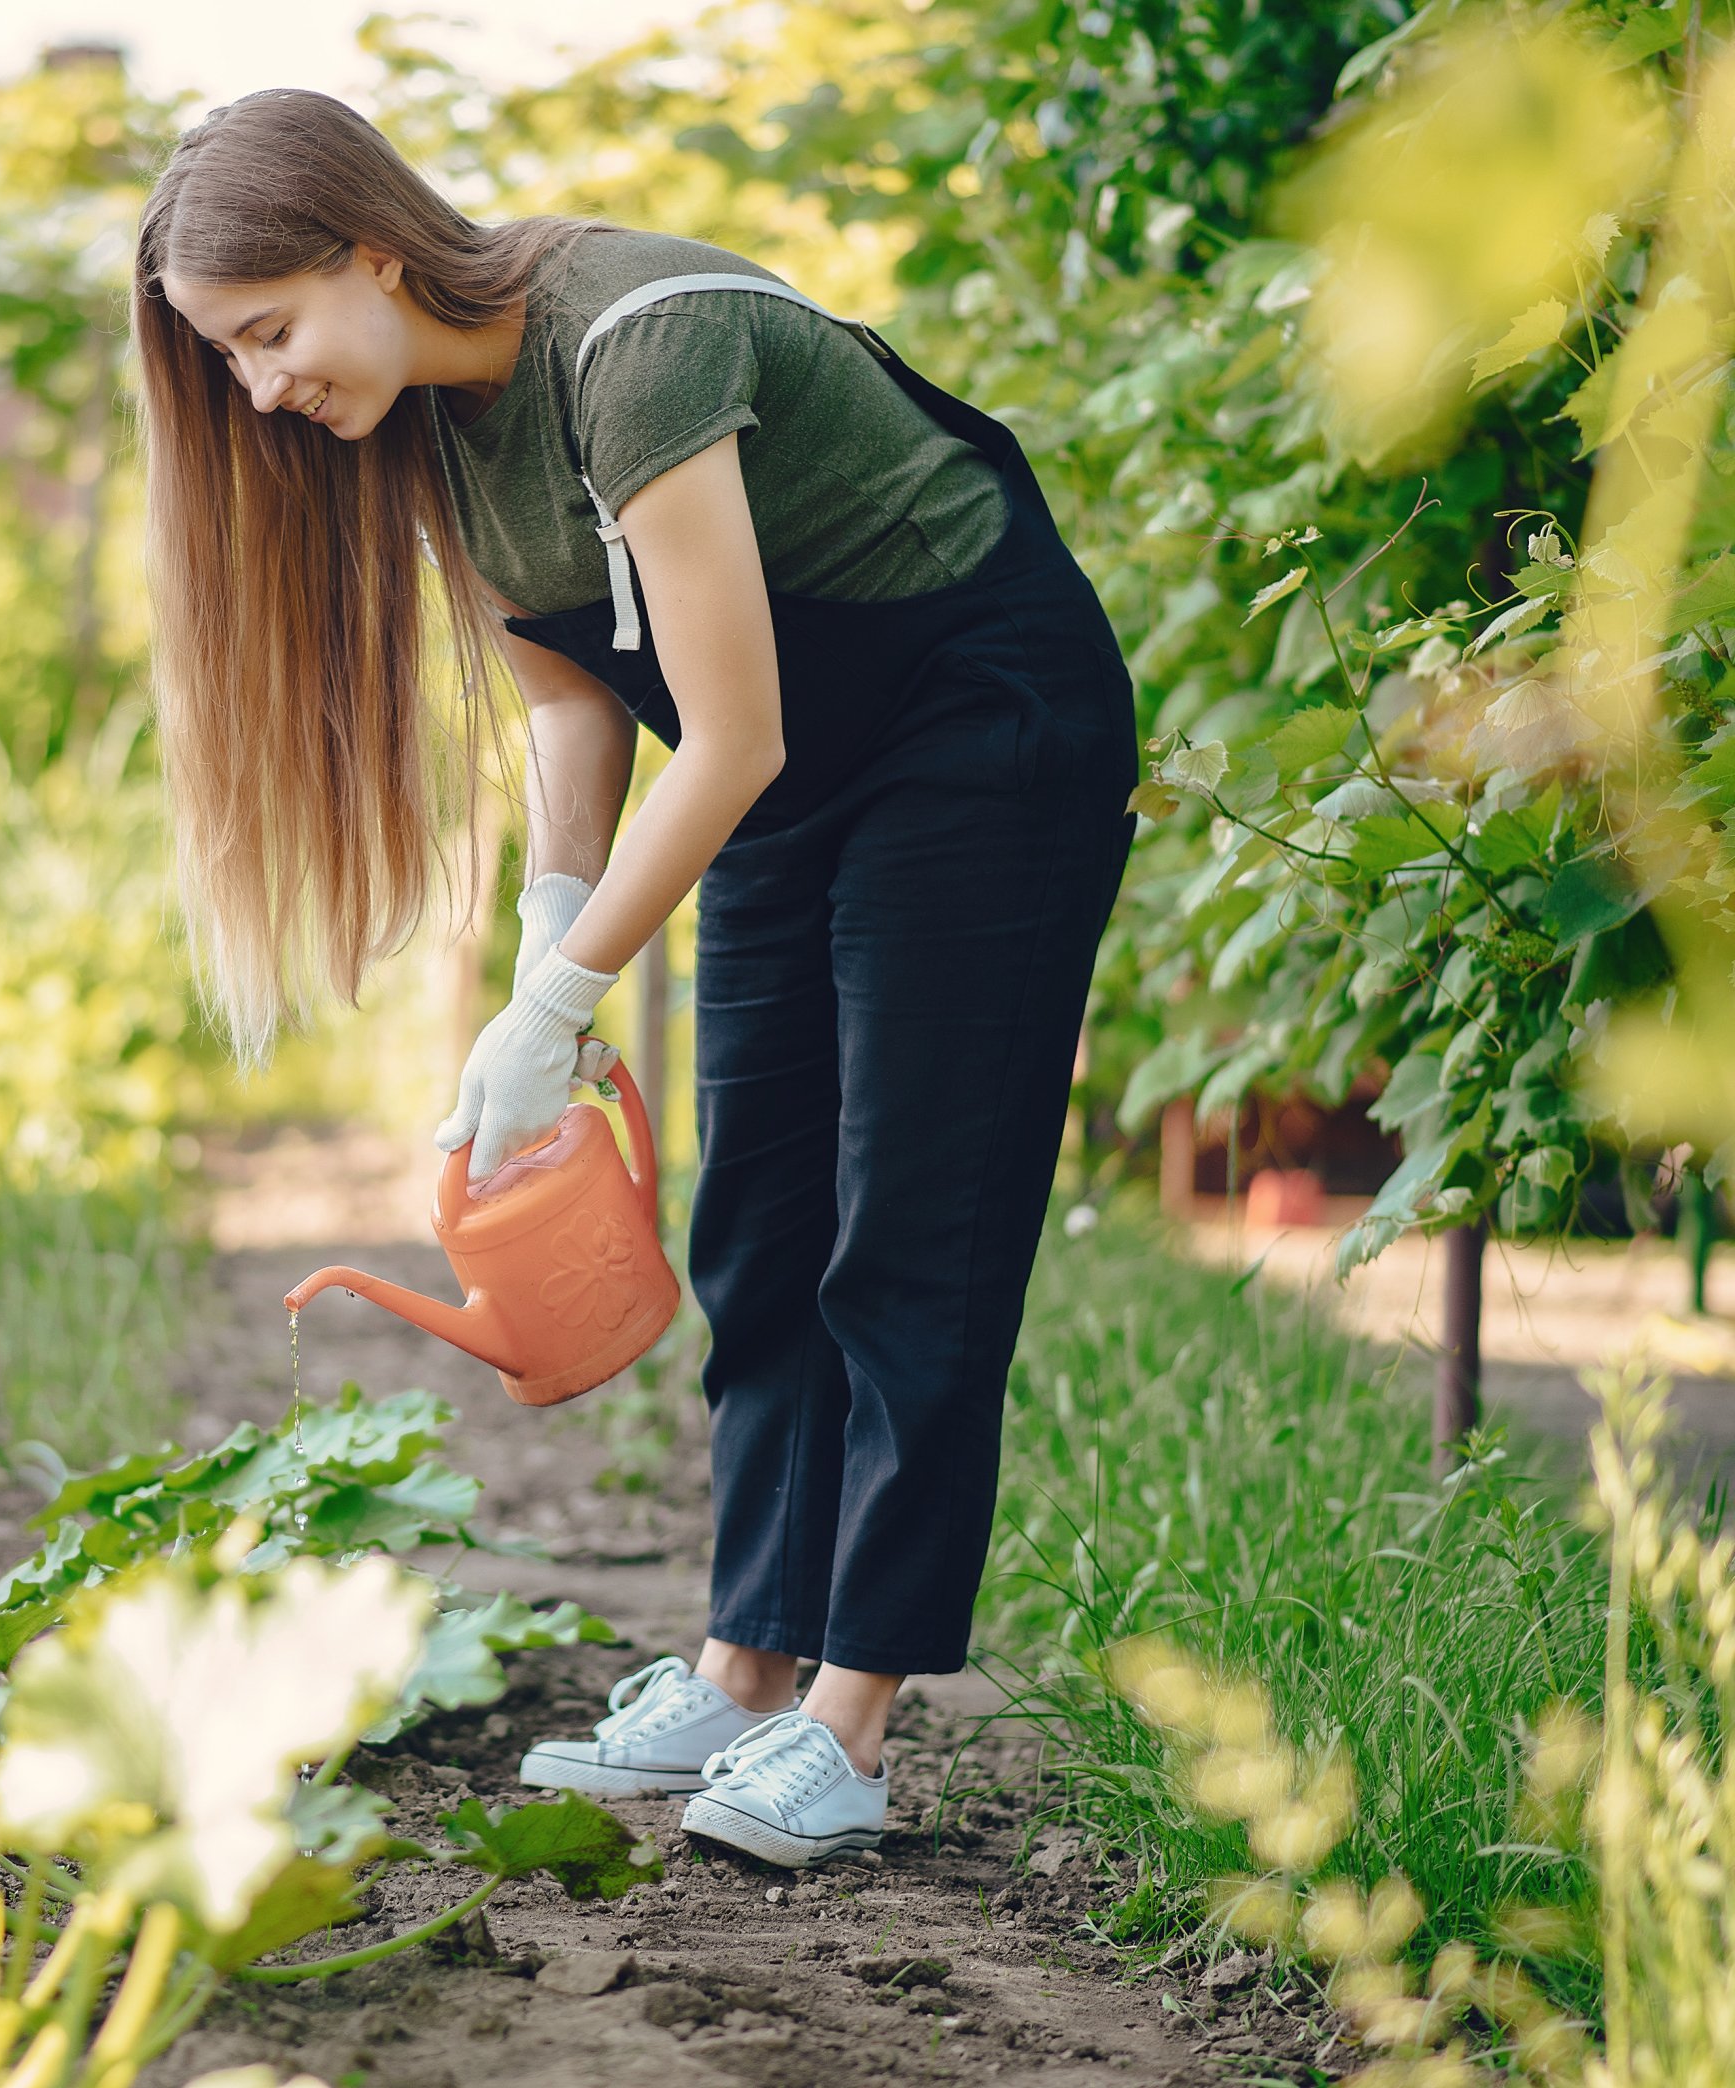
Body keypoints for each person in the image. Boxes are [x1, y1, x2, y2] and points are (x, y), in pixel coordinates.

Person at [136, 89, 1135, 1868]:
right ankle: (747, 1667)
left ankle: (854, 1717)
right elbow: (574, 697)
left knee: (906, 1220)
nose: (263, 387)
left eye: (271, 332)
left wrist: (563, 1003)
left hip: (979, 719)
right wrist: (547, 939)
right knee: (757, 1219)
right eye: (230, 360)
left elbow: (727, 729)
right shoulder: (420, 431)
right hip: (785, 761)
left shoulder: (637, 345)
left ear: (373, 249)